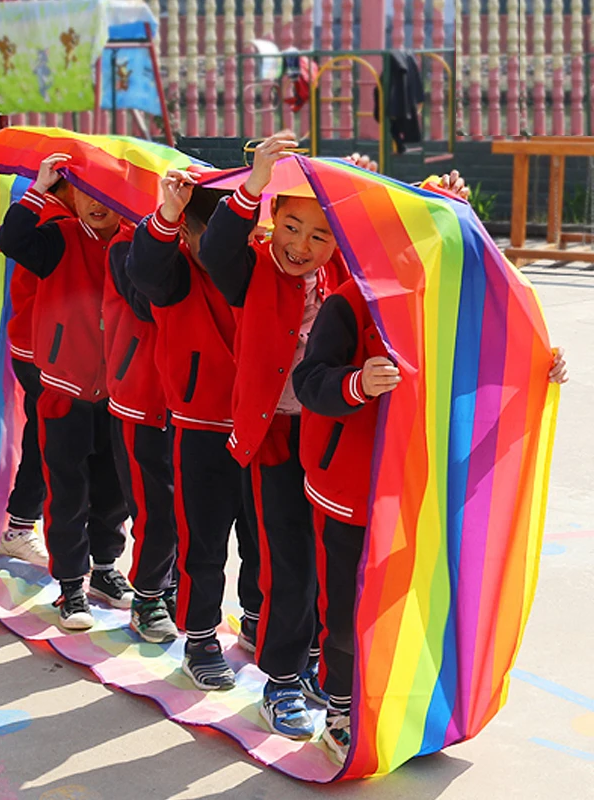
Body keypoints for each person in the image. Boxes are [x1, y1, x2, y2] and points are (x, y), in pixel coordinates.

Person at [293, 280, 568, 767]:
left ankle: (401, 707)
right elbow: (310, 381)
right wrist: (357, 382)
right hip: (351, 494)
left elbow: (489, 373)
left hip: (422, 492)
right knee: (346, 608)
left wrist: (540, 367)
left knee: (413, 601)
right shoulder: (350, 303)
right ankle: (340, 708)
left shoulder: (457, 304)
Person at [198, 132, 350, 738]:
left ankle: (313, 663)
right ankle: (281, 680)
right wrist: (254, 184)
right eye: (291, 227)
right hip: (274, 439)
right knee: (287, 563)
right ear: (272, 221)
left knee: (323, 563)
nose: (301, 246)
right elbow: (215, 251)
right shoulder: (253, 269)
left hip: (333, 440)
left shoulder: (343, 278)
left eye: (319, 235)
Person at [126, 183, 263, 689]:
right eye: (216, 236)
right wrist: (165, 211)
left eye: (242, 235)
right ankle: (201, 638)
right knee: (202, 544)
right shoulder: (174, 274)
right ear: (186, 231)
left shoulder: (258, 269)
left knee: (260, 541)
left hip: (257, 429)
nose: (231, 248)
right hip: (201, 430)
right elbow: (143, 270)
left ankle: (254, 620)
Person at [0, 153, 133, 631]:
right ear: (70, 192)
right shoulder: (58, 237)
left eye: (110, 195)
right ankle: (71, 586)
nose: (97, 203)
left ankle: (104, 570)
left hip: (115, 392)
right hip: (62, 389)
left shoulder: (132, 244)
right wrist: (39, 187)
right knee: (67, 489)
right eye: (86, 190)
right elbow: (11, 239)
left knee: (113, 489)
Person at [103, 227, 179, 643]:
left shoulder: (201, 242)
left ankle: (171, 587)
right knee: (155, 510)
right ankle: (148, 596)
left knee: (188, 508)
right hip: (141, 399)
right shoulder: (124, 245)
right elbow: (152, 302)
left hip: (190, 402)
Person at [0, 177, 76, 567]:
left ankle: (26, 525)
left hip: (55, 350)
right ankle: (22, 527)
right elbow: (9, 239)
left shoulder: (69, 218)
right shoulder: (54, 223)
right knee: (49, 439)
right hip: (41, 350)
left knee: (51, 437)